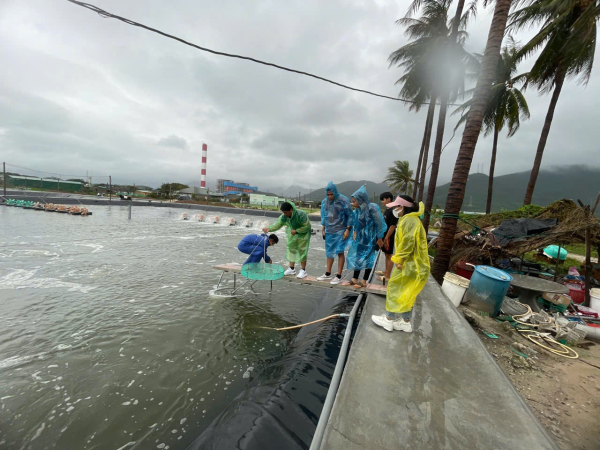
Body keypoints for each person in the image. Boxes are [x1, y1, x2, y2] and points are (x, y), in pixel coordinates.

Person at [371, 195, 430, 333]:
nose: (394, 210)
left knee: (394, 288)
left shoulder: (408, 220)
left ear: (402, 207)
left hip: (408, 264)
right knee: (407, 292)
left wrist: (399, 261)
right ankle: (405, 322)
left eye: (396, 207)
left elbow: (408, 242)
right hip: (416, 264)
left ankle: (389, 319)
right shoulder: (413, 219)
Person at [346, 185, 387, 289]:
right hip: (361, 238)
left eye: (355, 202)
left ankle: (364, 280)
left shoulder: (372, 207)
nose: (353, 203)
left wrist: (379, 237)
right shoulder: (358, 210)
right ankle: (355, 278)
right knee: (358, 257)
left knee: (369, 258)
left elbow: (380, 223)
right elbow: (356, 222)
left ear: (361, 200)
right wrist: (355, 232)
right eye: (353, 201)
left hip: (371, 238)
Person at [317, 182, 353, 285]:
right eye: (327, 194)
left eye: (331, 194)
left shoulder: (343, 200)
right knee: (329, 252)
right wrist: (323, 228)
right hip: (329, 230)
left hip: (341, 229)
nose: (329, 196)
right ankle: (328, 273)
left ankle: (338, 275)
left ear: (335, 192)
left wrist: (348, 229)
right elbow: (324, 216)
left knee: (340, 251)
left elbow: (350, 215)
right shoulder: (325, 202)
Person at [263, 201, 311, 279]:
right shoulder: (284, 216)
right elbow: (278, 224)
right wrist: (269, 229)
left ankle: (303, 270)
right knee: (291, 249)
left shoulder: (301, 214)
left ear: (291, 210)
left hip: (303, 234)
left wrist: (297, 231)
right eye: (283, 212)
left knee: (302, 250)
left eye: (285, 212)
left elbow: (307, 226)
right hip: (292, 233)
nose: (284, 214)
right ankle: (292, 269)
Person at [377, 192, 399, 283]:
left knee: (389, 255)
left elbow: (392, 226)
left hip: (389, 236)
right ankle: (386, 272)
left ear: (389, 199)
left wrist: (386, 238)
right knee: (386, 254)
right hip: (385, 235)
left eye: (383, 199)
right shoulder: (388, 209)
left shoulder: (393, 210)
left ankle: (388, 276)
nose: (382, 201)